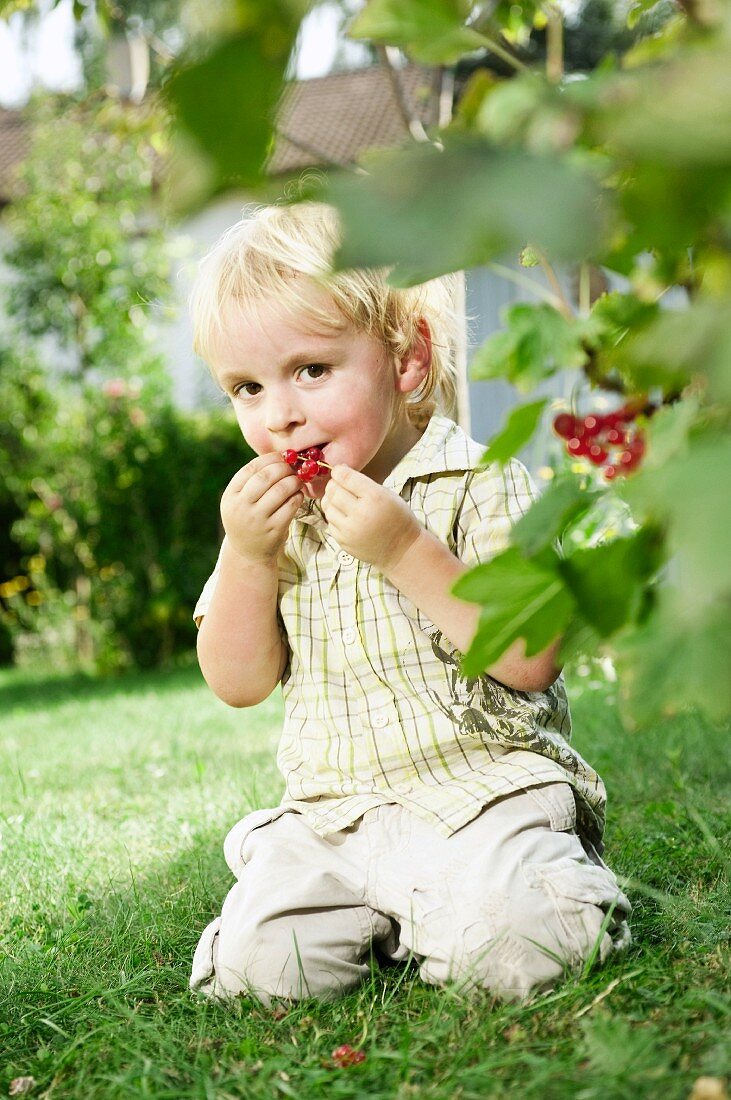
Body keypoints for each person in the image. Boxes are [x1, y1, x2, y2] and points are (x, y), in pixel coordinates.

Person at [188, 200, 631, 1006]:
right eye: (246, 387)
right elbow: (238, 681)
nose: (279, 413)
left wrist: (404, 550)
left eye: (310, 371)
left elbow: (530, 658)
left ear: (408, 361)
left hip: (482, 799)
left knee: (520, 947)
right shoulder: (270, 521)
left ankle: (519, 896)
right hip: (331, 817)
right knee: (256, 975)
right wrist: (246, 555)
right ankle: (395, 913)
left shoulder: (481, 479)